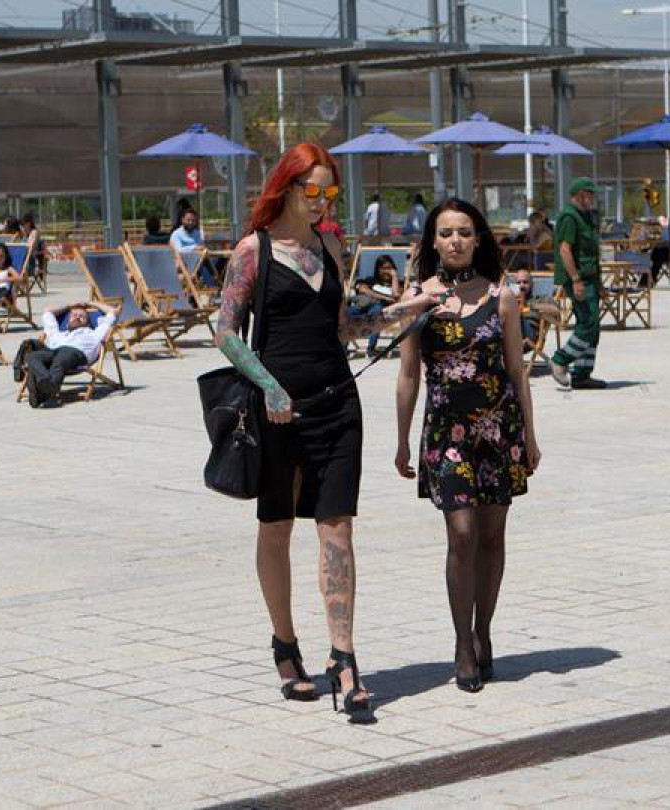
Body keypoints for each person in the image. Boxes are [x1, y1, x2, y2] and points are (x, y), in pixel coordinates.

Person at [212, 142, 440, 724]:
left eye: (329, 192)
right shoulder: (254, 251)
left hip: (338, 404)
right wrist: (269, 386)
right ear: (286, 186)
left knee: (337, 528)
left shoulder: (330, 246)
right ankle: (285, 645)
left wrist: (407, 309)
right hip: (278, 411)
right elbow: (226, 332)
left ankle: (344, 657)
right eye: (311, 190)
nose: (321, 202)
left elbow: (342, 328)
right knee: (277, 525)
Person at [394, 196, 541, 693]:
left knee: (492, 536)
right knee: (462, 533)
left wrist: (530, 435)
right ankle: (462, 642)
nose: (455, 240)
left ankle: (484, 632)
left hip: (498, 431)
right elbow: (408, 374)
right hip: (446, 432)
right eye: (445, 233)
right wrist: (401, 440)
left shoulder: (502, 296)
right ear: (432, 242)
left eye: (463, 232)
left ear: (478, 240)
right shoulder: (420, 298)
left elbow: (518, 370)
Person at [547, 178, 607, 390]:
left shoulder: (586, 217)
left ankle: (582, 375)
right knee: (588, 324)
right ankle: (560, 360)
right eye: (591, 194)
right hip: (578, 278)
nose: (593, 199)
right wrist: (575, 280)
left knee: (592, 328)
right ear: (581, 195)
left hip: (590, 278)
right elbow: (565, 250)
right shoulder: (569, 217)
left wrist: (599, 284)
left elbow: (592, 253)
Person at [18, 302, 120, 408]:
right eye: (74, 315)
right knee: (31, 356)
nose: (77, 317)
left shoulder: (94, 333)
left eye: (82, 316)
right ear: (68, 320)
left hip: (77, 354)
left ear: (88, 323)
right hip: (53, 352)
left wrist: (91, 303)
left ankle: (46, 388)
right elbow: (48, 312)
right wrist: (69, 305)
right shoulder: (57, 334)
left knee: (62, 356)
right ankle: (47, 385)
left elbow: (114, 311)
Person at [348, 254, 402, 354]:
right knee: (346, 313)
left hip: (381, 311)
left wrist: (394, 277)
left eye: (390, 268)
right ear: (378, 269)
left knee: (376, 311)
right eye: (384, 268)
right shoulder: (371, 280)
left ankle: (371, 349)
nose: (387, 271)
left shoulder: (397, 283)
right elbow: (363, 289)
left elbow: (396, 296)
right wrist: (385, 297)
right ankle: (343, 350)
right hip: (362, 307)